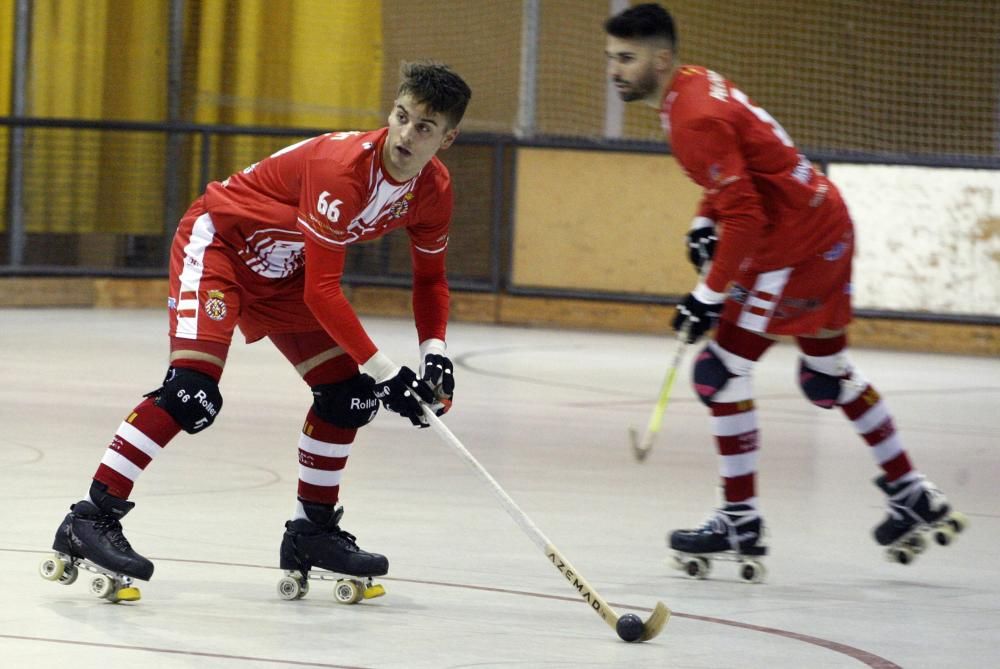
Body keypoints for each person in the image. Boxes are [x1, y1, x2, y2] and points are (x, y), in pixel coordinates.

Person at [42, 61, 472, 601]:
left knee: (347, 398)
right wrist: (387, 371)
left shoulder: (433, 190)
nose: (406, 135)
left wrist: (435, 353)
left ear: (448, 138)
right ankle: (89, 517)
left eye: (425, 128)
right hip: (222, 245)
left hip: (285, 268)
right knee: (192, 392)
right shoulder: (343, 170)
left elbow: (430, 278)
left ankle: (311, 532)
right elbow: (325, 293)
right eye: (401, 117)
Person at [603, 4, 965, 578]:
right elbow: (740, 179)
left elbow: (746, 218)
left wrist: (707, 294)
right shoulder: (695, 87)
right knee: (825, 375)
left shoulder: (691, 116)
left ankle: (739, 519)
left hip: (790, 249)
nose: (615, 70)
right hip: (827, 226)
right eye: (611, 58)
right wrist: (703, 223)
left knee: (718, 373)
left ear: (662, 58)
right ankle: (911, 491)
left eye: (626, 58)